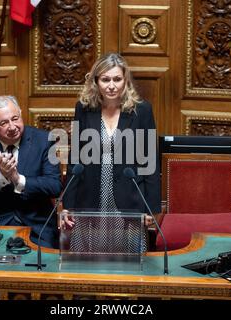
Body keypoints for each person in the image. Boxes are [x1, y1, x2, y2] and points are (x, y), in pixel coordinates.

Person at [62, 53, 161, 252]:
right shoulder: (84, 108)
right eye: (105, 79)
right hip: (90, 194)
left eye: (117, 79)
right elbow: (76, 159)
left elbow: (150, 161)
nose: (111, 85)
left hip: (129, 197)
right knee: (89, 261)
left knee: (129, 261)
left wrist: (150, 207)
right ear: (96, 82)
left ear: (126, 81)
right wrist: (68, 204)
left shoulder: (141, 110)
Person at [0, 95, 62, 248]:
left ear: (21, 114)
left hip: (37, 225)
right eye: (4, 123)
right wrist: (0, 176)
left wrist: (18, 180)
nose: (12, 127)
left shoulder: (44, 140)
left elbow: (55, 186)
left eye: (15, 118)